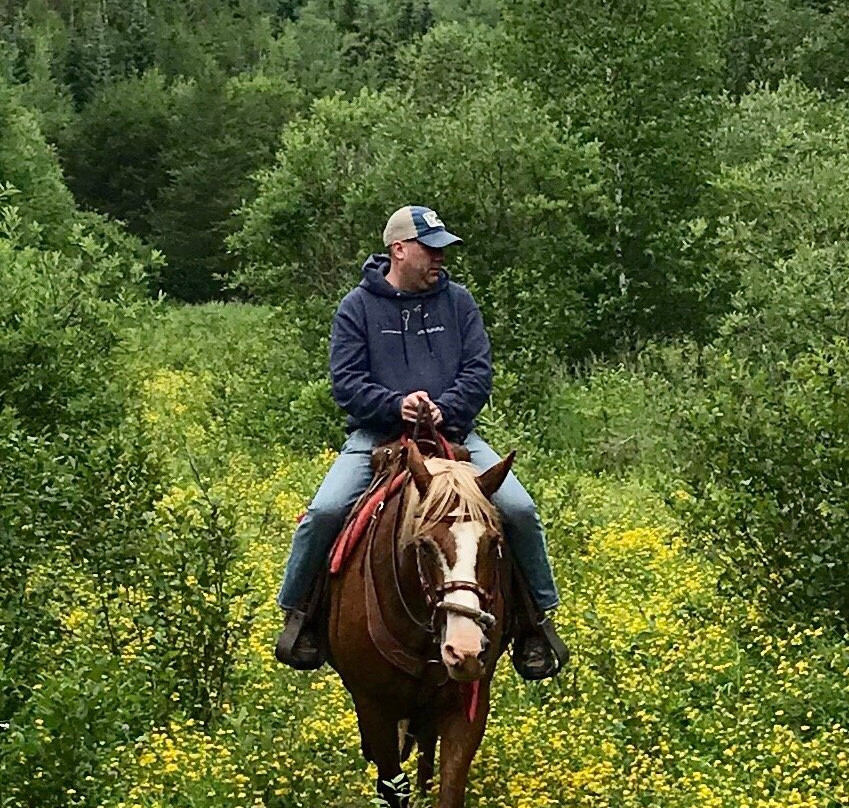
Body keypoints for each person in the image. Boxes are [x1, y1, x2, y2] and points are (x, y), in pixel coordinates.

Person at [275, 205, 565, 679]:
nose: (439, 260)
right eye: (431, 250)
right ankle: (300, 617)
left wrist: (444, 409)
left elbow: (478, 372)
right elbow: (346, 382)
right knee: (325, 512)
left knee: (518, 510)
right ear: (399, 249)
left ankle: (536, 624)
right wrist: (395, 405)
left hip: (453, 433)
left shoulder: (459, 302)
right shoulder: (357, 308)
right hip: (376, 437)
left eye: (442, 251)